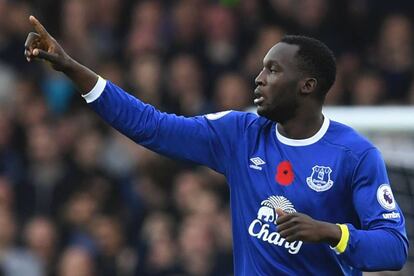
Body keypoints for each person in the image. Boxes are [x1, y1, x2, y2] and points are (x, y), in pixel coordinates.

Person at [24, 15, 408, 275]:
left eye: (273, 70)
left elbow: (393, 247)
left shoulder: (355, 156)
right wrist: (70, 66)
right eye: (261, 67)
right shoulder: (239, 134)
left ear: (307, 85)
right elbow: (150, 126)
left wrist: (331, 233)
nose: (258, 78)